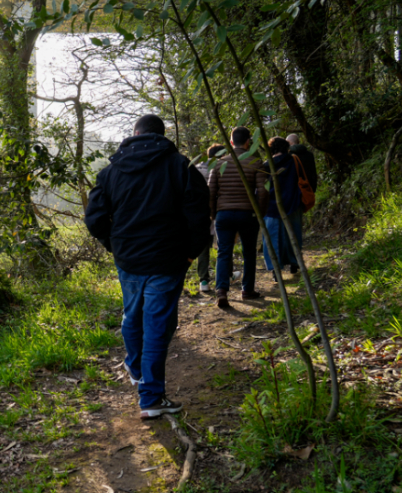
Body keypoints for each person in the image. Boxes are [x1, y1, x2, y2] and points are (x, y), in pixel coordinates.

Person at [85, 114, 211, 420]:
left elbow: (95, 218)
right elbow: (199, 213)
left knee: (133, 313)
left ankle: (136, 366)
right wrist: (192, 253)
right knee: (157, 325)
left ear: (134, 133)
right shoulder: (181, 166)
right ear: (162, 135)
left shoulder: (112, 171)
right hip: (168, 259)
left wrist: (113, 245)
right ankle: (151, 396)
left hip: (128, 258)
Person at [208, 127, 267, 309]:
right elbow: (263, 191)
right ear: (249, 141)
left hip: (224, 214)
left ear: (231, 142)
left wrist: (213, 213)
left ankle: (221, 291)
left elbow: (211, 191)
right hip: (247, 213)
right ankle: (247, 290)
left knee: (224, 251)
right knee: (249, 252)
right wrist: (259, 212)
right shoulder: (255, 162)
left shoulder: (219, 163)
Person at [260, 136, 304, 277]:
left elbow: (262, 188)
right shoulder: (294, 161)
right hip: (293, 203)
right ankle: (294, 263)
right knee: (294, 234)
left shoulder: (266, 166)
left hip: (271, 207)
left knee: (273, 238)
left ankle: (275, 269)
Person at [195, 144, 226, 294]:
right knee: (224, 245)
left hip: (201, 213)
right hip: (220, 210)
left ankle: (204, 280)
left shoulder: (196, 169)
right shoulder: (223, 168)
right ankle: (227, 274)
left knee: (203, 247)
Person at [285, 133, 316, 273]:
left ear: (290, 144)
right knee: (297, 226)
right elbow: (313, 175)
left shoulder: (289, 157)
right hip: (305, 193)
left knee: (287, 228)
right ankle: (296, 260)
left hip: (291, 195)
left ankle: (290, 259)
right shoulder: (309, 155)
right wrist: (311, 191)